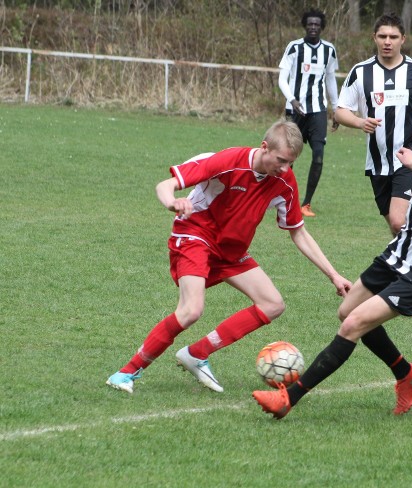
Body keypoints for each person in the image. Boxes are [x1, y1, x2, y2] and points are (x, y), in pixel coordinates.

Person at [253, 98, 412, 419]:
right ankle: (407, 374)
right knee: (346, 311)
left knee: (353, 325)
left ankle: (288, 400)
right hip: (396, 258)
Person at [106, 121, 351, 394]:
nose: (284, 168)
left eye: (290, 163)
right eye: (281, 160)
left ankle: (196, 353)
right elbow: (166, 185)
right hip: (195, 236)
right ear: (264, 147)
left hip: (231, 251)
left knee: (272, 304)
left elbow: (299, 233)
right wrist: (172, 202)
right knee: (191, 310)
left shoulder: (284, 181)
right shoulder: (228, 161)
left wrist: (334, 275)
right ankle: (125, 373)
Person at [335, 12, 412, 236]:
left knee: (398, 221)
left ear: (403, 39)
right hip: (377, 162)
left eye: (393, 37)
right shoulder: (360, 72)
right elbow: (339, 111)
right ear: (374, 37)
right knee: (398, 229)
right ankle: (410, 264)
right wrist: (359, 122)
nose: (387, 42)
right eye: (382, 36)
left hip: (410, 156)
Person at [278, 8, 340, 218]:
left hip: (318, 112)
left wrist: (336, 108)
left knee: (319, 157)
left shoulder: (329, 50)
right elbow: (282, 78)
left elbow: (330, 79)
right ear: (305, 25)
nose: (313, 27)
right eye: (310, 24)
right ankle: (282, 197)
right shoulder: (294, 48)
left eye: (317, 24)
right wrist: (292, 100)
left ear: (321, 27)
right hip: (295, 110)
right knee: (287, 157)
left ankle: (306, 204)